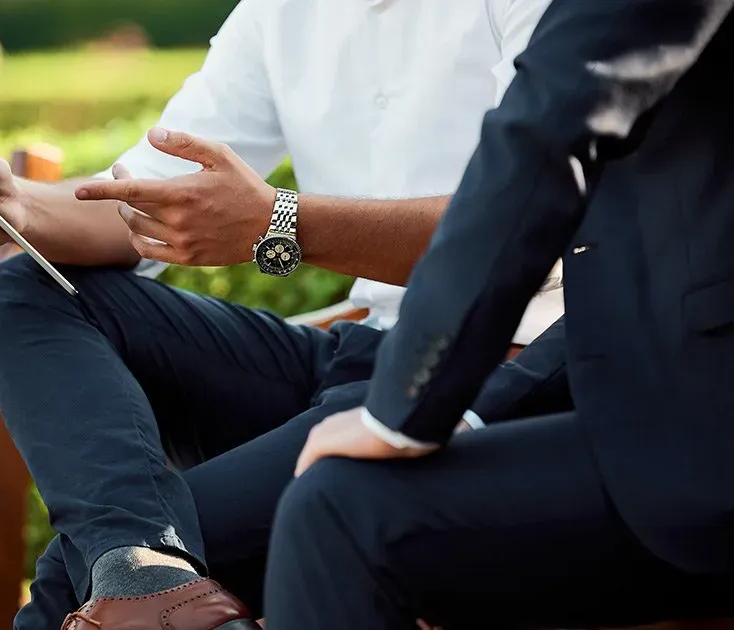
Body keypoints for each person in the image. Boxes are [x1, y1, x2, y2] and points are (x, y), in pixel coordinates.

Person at [0, 0, 559, 627]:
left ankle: (140, 573)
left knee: (75, 585)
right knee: (21, 292)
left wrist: (282, 223)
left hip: (496, 372)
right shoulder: (279, 14)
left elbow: (526, 223)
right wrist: (13, 203)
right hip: (359, 353)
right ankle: (143, 566)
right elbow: (143, 200)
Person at [263, 1, 734, 628]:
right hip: (643, 405)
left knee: (339, 513)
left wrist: (402, 409)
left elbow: (542, 134)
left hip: (699, 439)